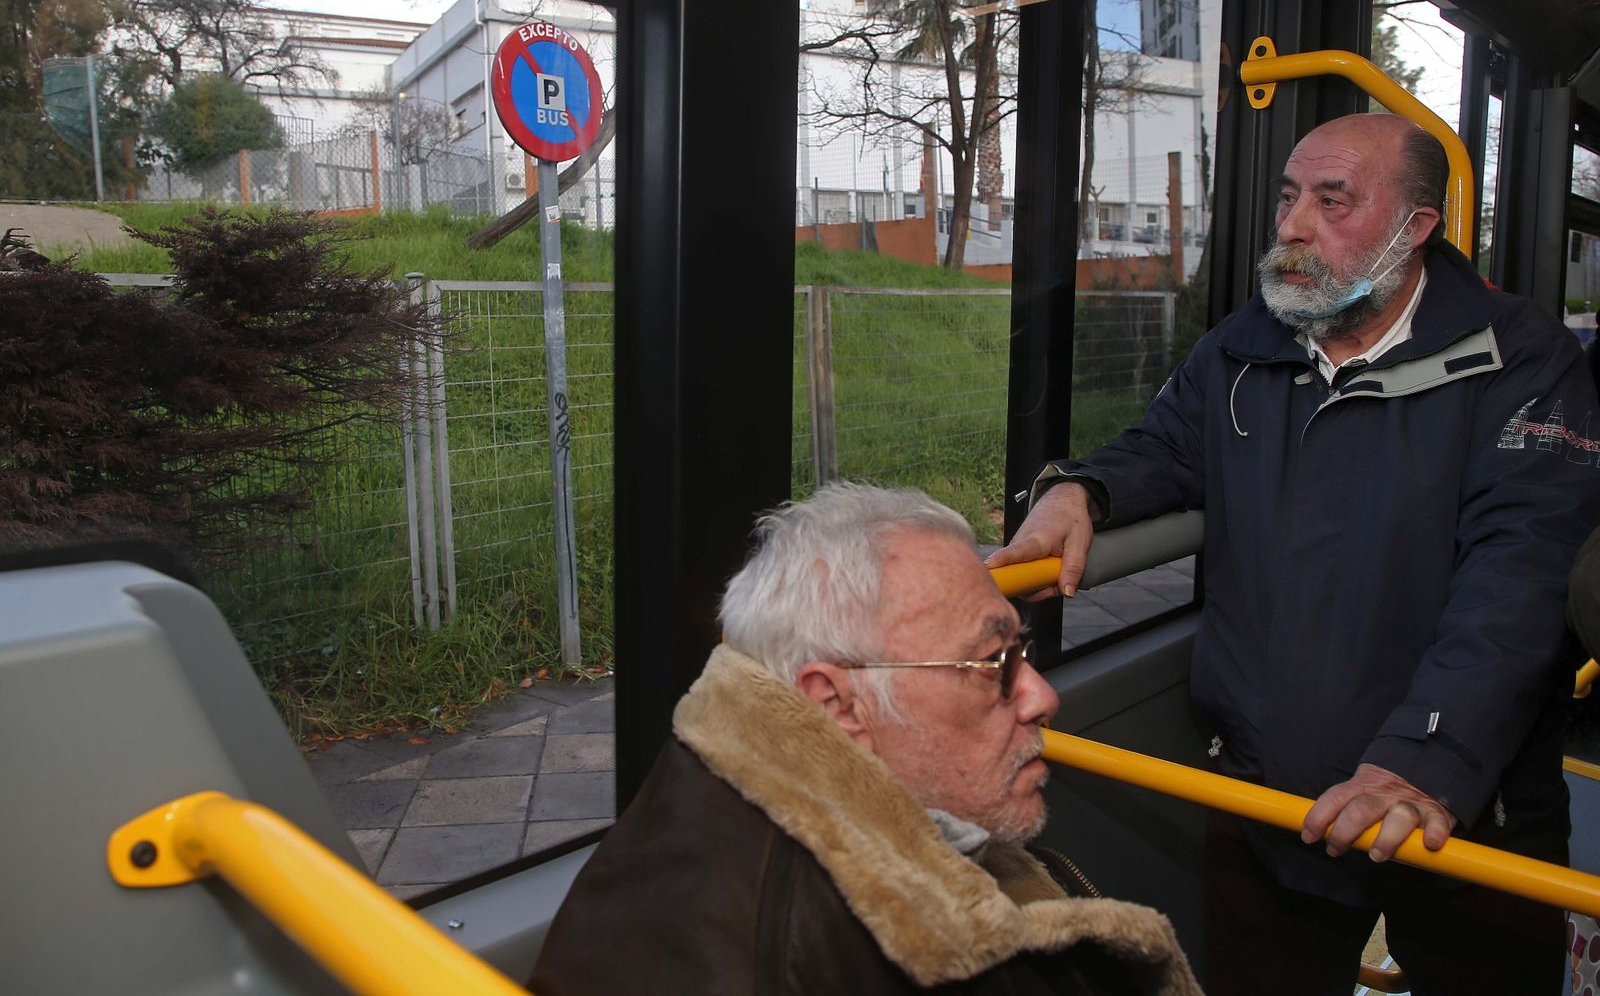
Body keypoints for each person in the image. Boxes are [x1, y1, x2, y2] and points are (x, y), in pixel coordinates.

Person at [989, 112, 1600, 994]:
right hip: (1270, 798)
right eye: (1287, 197)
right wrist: (1079, 489)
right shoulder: (1245, 345)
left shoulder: (1521, 360)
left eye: (1330, 199)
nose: (1292, 225)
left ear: (1414, 227)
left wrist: (1425, 761)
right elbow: (1164, 446)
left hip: (1465, 807)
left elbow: (1522, 578)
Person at [530, 483, 1201, 995]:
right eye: (995, 663)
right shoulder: (800, 953)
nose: (1042, 695)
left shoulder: (725, 801)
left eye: (1020, 647)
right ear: (837, 704)